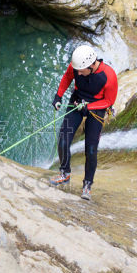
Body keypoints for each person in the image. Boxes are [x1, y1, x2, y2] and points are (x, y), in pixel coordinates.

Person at [49, 45, 118, 200]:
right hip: (77, 101)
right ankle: (65, 173)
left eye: (81, 71)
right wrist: (58, 96)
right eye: (77, 70)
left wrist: (90, 107)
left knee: (91, 149)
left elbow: (109, 100)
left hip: (97, 107)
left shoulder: (109, 76)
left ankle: (87, 185)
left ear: (92, 65)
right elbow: (68, 77)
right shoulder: (77, 66)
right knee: (63, 140)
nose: (78, 73)